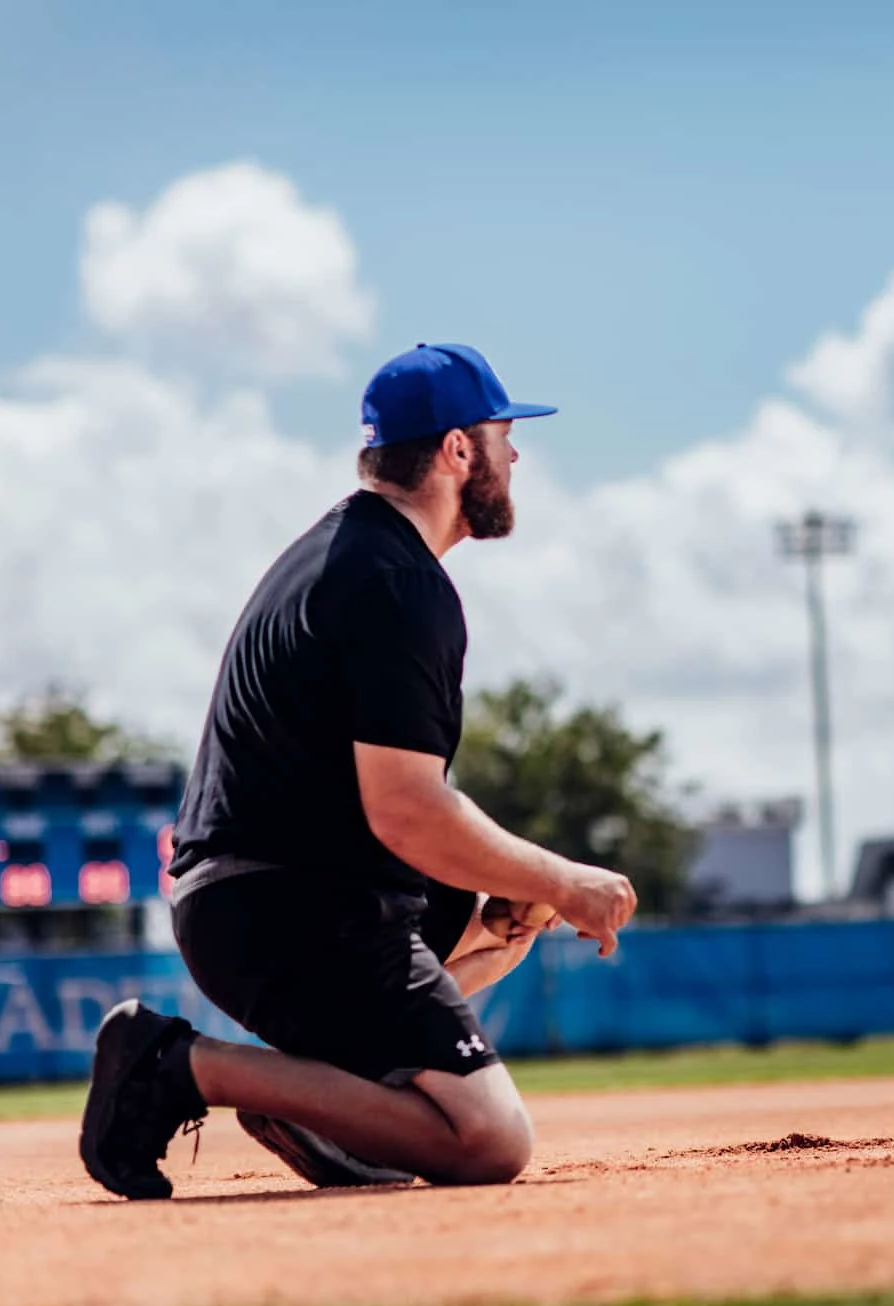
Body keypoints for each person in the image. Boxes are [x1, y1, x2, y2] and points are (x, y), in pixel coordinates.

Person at [79, 343, 638, 1200]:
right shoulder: (394, 583)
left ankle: (330, 1103)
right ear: (458, 450)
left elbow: (404, 797)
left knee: (508, 916)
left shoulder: (347, 550)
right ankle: (180, 1064)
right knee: (488, 1141)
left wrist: (527, 879)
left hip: (270, 894)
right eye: (502, 434)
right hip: (288, 909)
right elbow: (407, 813)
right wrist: (568, 876)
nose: (515, 454)